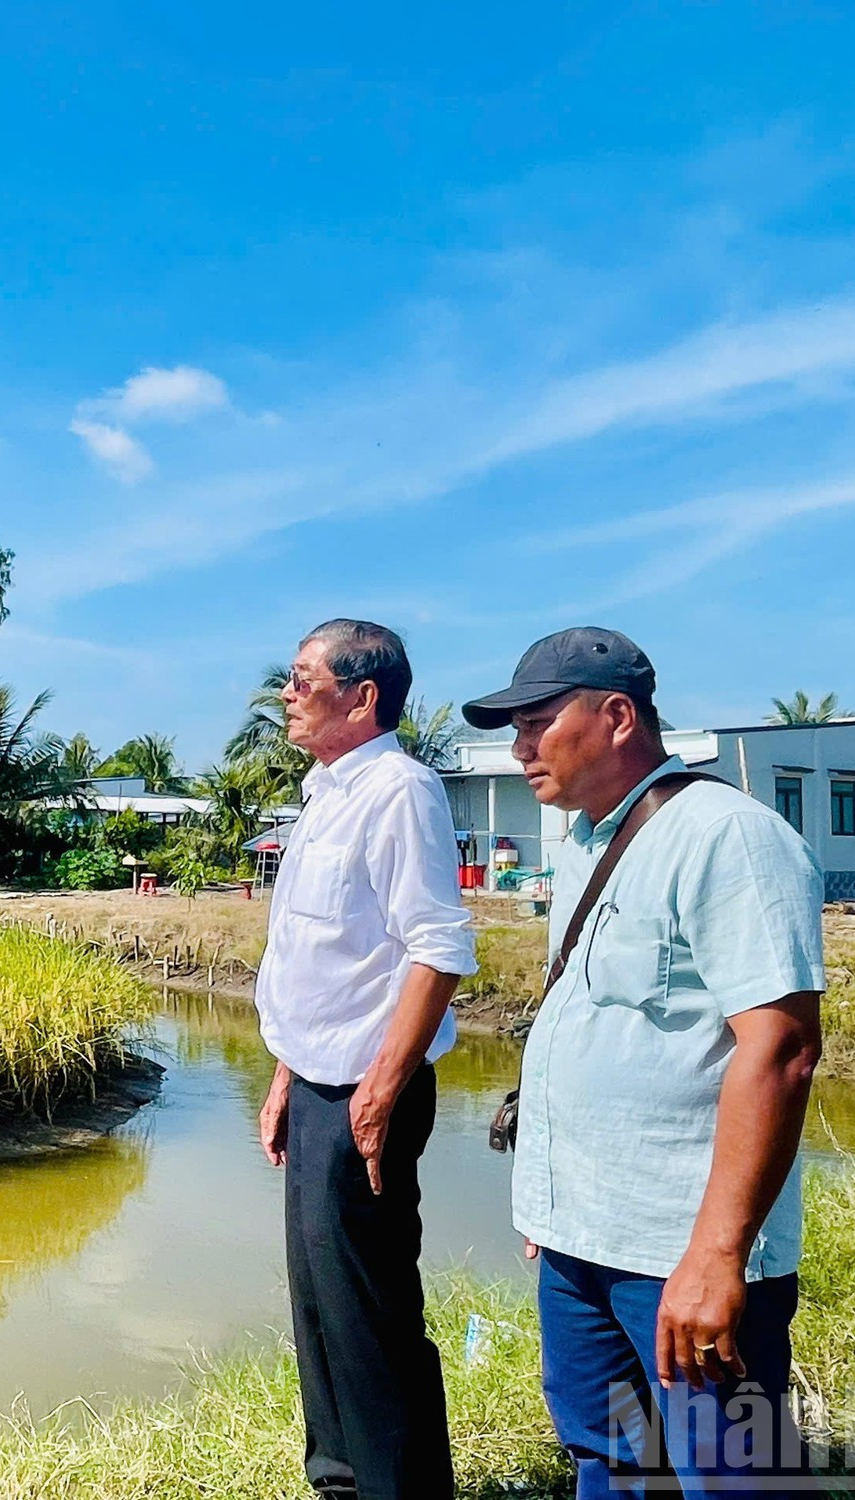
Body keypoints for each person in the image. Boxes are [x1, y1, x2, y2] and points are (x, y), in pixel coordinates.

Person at [463, 627, 824, 1500]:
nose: (518, 749)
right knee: (608, 1459)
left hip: (679, 1249)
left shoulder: (727, 838)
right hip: (580, 1240)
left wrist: (717, 1255)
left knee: (731, 1479)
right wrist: (551, 1202)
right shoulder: (582, 842)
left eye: (537, 723)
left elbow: (779, 1051)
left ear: (617, 716)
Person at [255, 618, 477, 1500]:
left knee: (371, 1313)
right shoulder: (326, 792)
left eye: (303, 679)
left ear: (362, 696)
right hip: (315, 1087)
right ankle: (339, 1480)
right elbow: (319, 960)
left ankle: (401, 1489)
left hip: (363, 1096)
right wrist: (282, 1075)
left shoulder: (400, 790)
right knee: (318, 1303)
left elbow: (438, 950)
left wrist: (379, 1096)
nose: (287, 692)